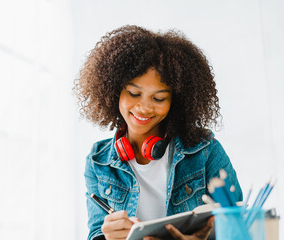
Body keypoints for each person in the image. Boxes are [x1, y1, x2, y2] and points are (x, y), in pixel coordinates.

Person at [74, 25, 243, 240]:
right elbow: (97, 232)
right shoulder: (98, 161)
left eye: (159, 98)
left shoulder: (205, 150)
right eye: (134, 93)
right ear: (114, 91)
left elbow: (239, 227)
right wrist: (107, 236)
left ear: (176, 100)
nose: (144, 108)